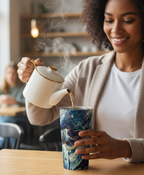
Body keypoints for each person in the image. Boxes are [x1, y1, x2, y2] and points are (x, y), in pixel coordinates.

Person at [17, 0, 144, 163]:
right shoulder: (88, 70)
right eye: (109, 20)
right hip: (95, 174)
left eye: (128, 20)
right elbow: (41, 117)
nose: (116, 29)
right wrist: (35, 80)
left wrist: (124, 148)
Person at [0, 61, 26, 149]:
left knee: (8, 126)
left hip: (19, 119)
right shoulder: (3, 88)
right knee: (8, 126)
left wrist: (15, 101)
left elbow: (27, 102)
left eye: (13, 74)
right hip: (4, 118)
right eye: (8, 73)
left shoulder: (23, 87)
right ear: (5, 74)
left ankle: (3, 146)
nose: (11, 76)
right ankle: (13, 148)